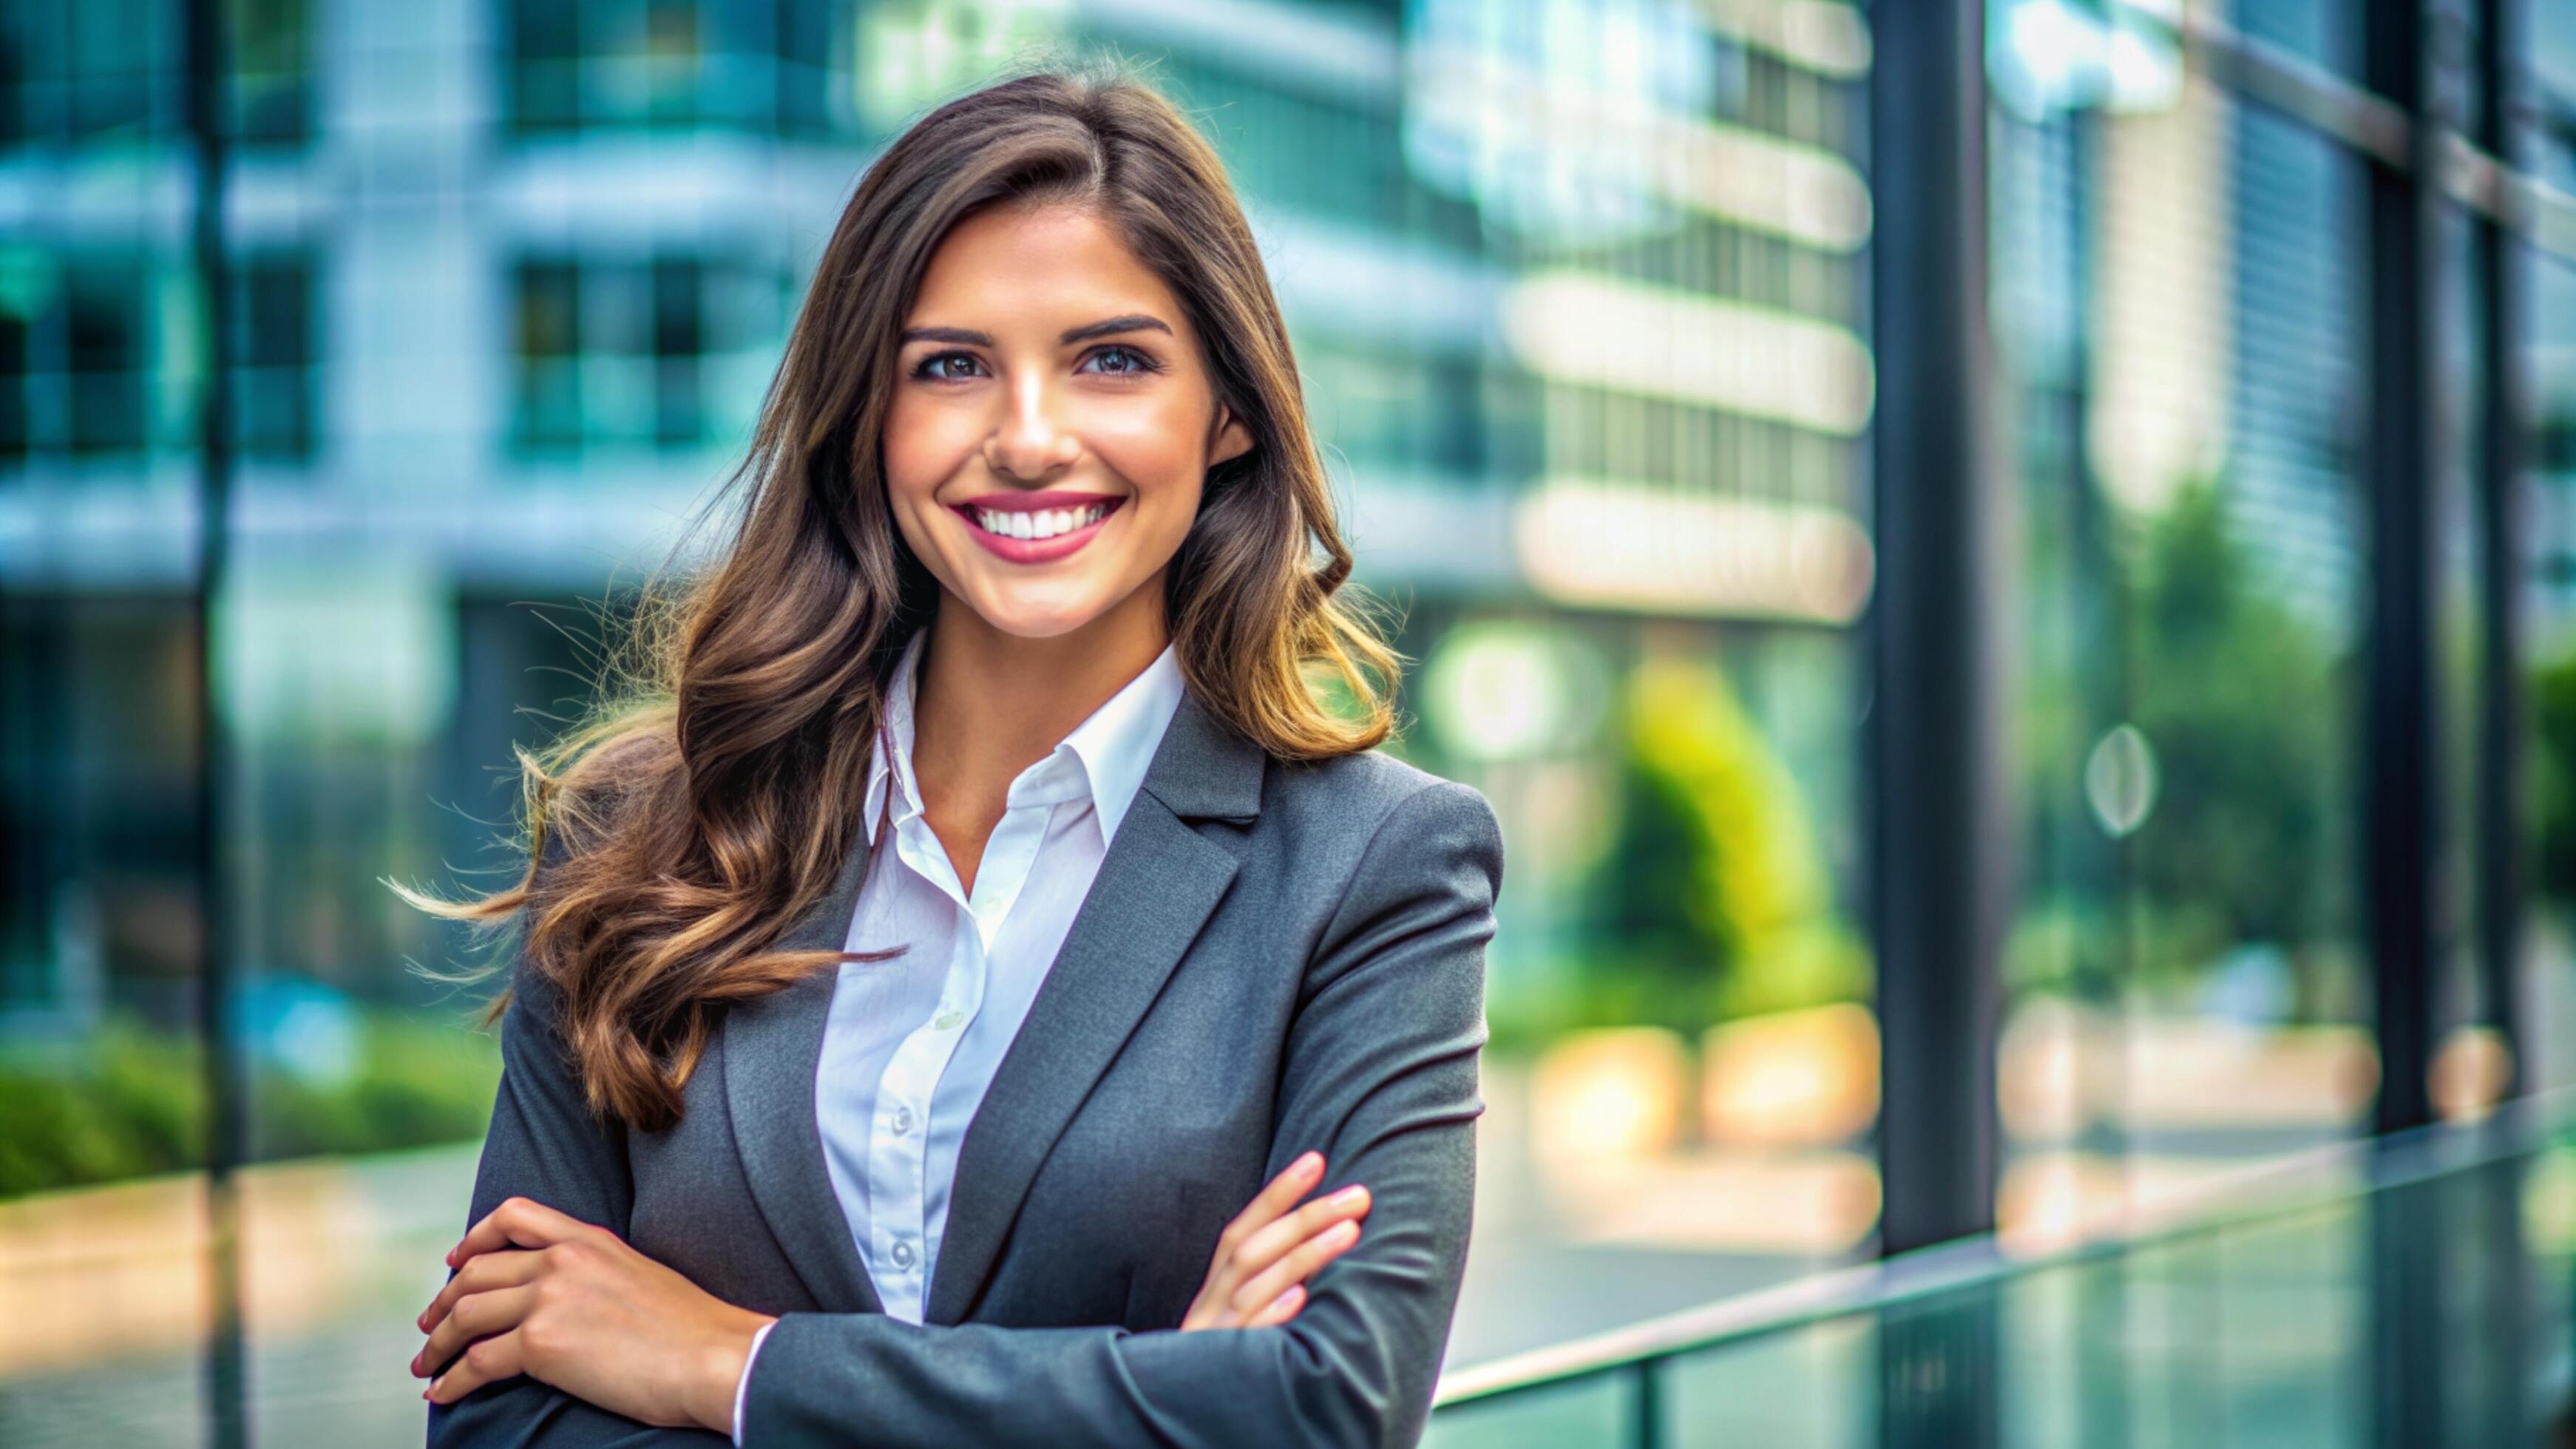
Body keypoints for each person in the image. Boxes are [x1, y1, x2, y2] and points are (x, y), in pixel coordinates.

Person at [397, 62, 1504, 1449]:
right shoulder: (639, 836)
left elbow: (1320, 1410)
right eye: (951, 366)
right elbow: (504, 1422)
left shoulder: (1374, 868)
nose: (1028, 440)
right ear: (872, 415)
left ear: (1226, 412)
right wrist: (1152, 1395)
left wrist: (725, 1366)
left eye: (1112, 360)